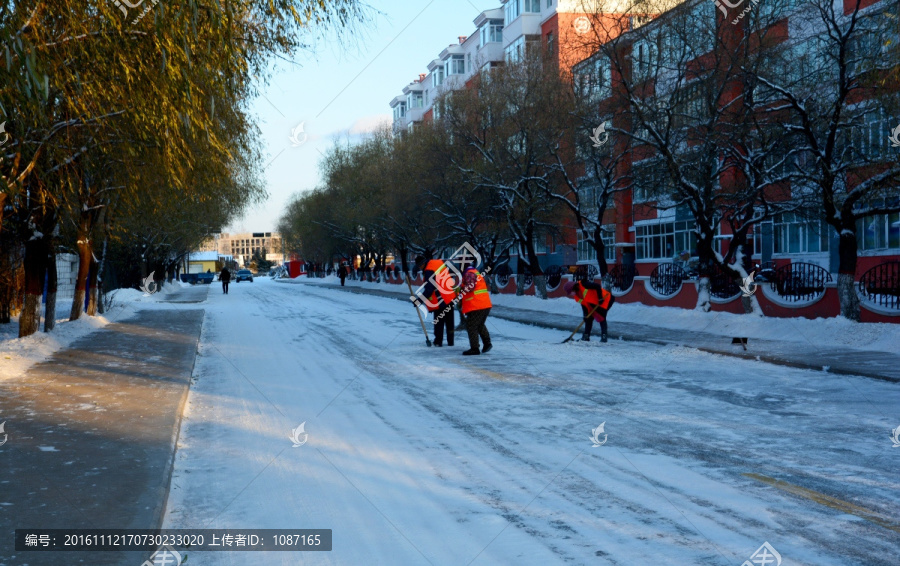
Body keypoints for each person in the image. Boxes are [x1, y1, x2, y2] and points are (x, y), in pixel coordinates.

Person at [420, 258, 456, 347]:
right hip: (450, 296)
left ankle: (438, 341)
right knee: (449, 321)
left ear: (422, 264)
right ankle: (450, 342)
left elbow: (429, 289)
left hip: (441, 299)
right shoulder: (439, 264)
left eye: (419, 266)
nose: (420, 269)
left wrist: (419, 300)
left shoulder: (429, 270)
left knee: (439, 320)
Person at [457, 265, 492, 355]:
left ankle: (475, 348)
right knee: (479, 324)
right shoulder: (474, 272)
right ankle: (487, 343)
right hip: (484, 304)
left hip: (477, 305)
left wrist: (460, 290)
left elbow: (470, 287)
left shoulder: (469, 274)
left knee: (471, 326)